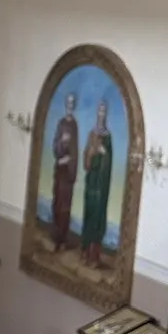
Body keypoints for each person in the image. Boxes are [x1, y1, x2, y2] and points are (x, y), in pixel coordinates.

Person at [81, 100, 114, 269]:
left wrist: (103, 152)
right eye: (99, 110)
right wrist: (90, 154)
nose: (101, 113)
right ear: (97, 113)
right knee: (89, 216)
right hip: (91, 184)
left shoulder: (107, 137)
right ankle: (85, 252)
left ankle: (94, 256)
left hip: (101, 187)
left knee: (98, 218)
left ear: (106, 113)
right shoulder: (91, 134)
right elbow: (86, 157)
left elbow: (108, 161)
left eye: (104, 111)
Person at [50, 91, 79, 251]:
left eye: (72, 103)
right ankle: (56, 238)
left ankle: (63, 238)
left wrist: (72, 165)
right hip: (60, 170)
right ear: (65, 104)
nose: (70, 105)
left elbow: (75, 150)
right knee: (57, 204)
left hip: (68, 173)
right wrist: (62, 142)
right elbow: (55, 146)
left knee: (66, 207)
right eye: (68, 102)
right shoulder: (61, 124)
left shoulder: (74, 125)